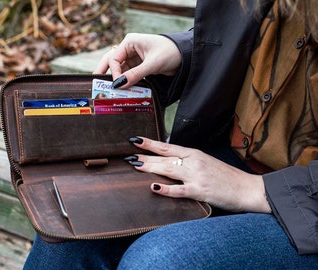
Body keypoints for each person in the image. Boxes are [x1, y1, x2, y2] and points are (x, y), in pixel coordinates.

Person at [24, 0, 318, 269]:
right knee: (72, 228)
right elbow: (270, 33)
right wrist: (184, 51)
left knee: (160, 261)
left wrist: (251, 189)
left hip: (301, 202)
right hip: (233, 154)